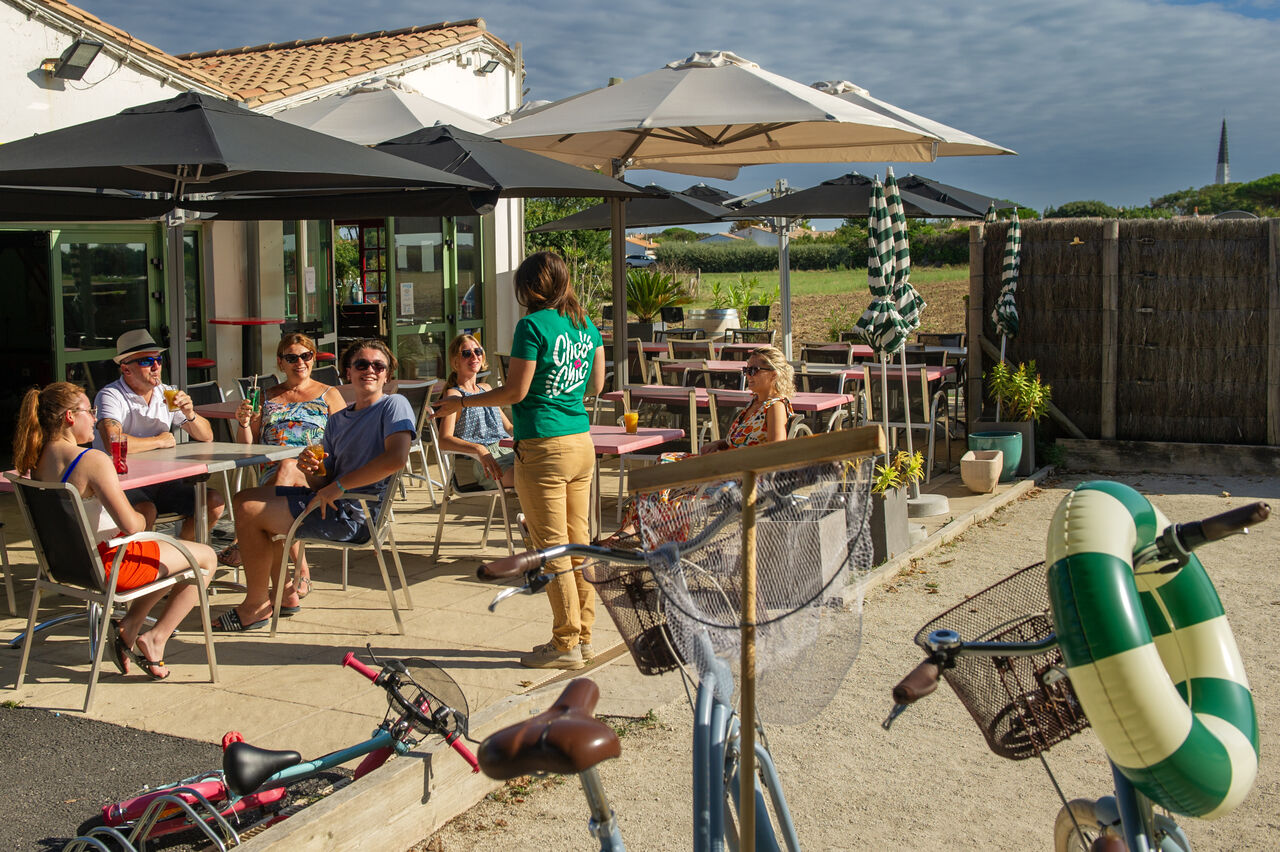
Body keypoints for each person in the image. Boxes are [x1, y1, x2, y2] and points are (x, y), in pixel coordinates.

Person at [435, 252, 605, 671]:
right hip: (581, 441)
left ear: (528, 288)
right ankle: (584, 636)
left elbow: (514, 391)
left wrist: (465, 400)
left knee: (551, 547)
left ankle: (565, 642)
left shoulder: (531, 326)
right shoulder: (586, 326)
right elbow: (597, 385)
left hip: (544, 445)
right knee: (577, 541)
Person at [12, 382, 216, 680]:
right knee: (206, 557)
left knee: (172, 553)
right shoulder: (92, 460)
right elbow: (131, 525)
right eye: (89, 411)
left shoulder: (36, 460)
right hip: (108, 566)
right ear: (70, 417)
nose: (94, 419)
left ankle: (131, 627)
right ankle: (155, 637)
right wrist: (142, 517)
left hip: (64, 566)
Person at [215, 339, 415, 631]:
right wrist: (312, 470)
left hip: (356, 514)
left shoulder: (394, 404)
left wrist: (339, 487)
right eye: (361, 364)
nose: (369, 370)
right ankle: (283, 594)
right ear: (349, 371)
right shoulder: (338, 422)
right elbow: (324, 479)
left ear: (387, 374)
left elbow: (396, 458)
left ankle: (256, 606)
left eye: (377, 365)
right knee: (245, 498)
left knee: (249, 509)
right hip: (329, 504)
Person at [605, 345, 795, 545]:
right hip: (723, 465)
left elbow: (776, 451)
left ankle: (636, 534)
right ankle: (638, 532)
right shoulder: (754, 402)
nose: (748, 375)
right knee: (664, 463)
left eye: (754, 370)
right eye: (746, 370)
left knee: (671, 488)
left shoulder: (776, 406)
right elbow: (748, 439)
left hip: (741, 477)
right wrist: (721, 444)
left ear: (774, 374)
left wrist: (732, 458)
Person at [220, 333, 345, 589]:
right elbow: (246, 446)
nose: (300, 362)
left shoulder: (329, 395)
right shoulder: (266, 397)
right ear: (281, 362)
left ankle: (250, 537)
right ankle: (298, 576)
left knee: (288, 466)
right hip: (272, 473)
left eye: (306, 356)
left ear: (313, 358)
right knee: (284, 473)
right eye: (292, 357)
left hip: (315, 472)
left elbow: (346, 441)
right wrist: (243, 421)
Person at [94, 329, 224, 541]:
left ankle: (181, 552)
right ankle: (142, 566)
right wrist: (160, 441)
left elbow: (206, 436)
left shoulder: (166, 392)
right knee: (145, 510)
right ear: (126, 369)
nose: (156, 367)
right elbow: (113, 442)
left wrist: (190, 414)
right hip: (120, 482)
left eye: (158, 359)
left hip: (162, 482)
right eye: (146, 361)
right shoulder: (111, 395)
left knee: (213, 502)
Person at [436, 333, 515, 490]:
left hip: (509, 450)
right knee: (531, 478)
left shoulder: (486, 389)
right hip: (483, 460)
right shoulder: (455, 396)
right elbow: (444, 440)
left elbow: (509, 428)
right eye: (466, 353)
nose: (474, 356)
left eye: (477, 351)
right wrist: (478, 448)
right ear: (455, 361)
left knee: (549, 469)